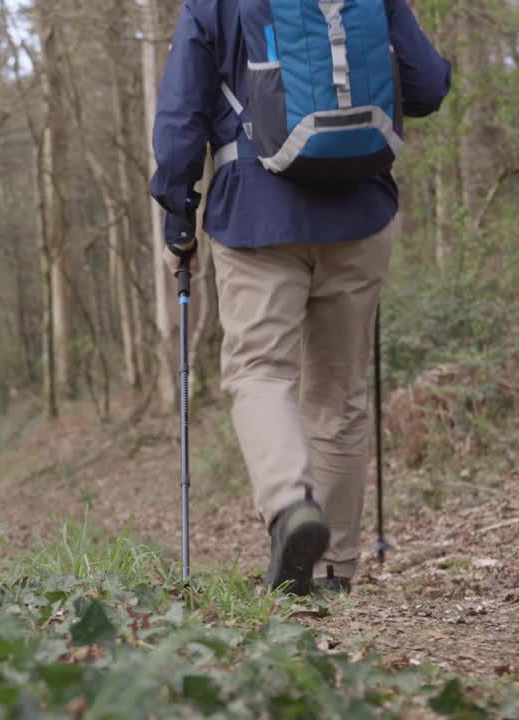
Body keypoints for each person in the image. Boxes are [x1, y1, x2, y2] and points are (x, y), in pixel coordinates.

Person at [149, 0, 451, 595]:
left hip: (257, 213)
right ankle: (335, 568)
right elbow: (428, 85)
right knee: (339, 393)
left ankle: (291, 506)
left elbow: (181, 112)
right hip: (360, 213)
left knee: (260, 371)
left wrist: (177, 212)